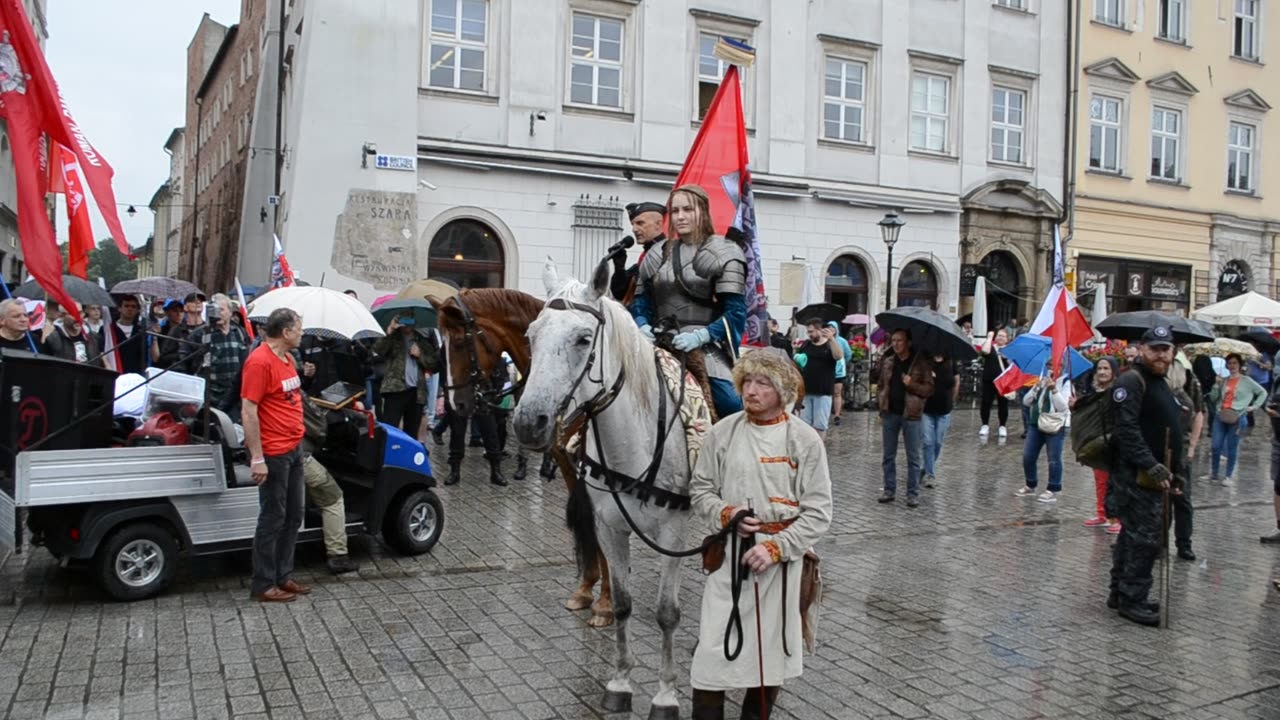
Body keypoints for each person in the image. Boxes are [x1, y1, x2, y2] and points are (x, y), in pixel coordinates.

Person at [688, 348, 832, 720]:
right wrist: (728, 513)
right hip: (729, 564)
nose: (750, 390)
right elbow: (700, 490)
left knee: (768, 665)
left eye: (762, 383)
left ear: (783, 391)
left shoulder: (805, 440)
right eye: (747, 381)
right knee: (710, 661)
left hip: (780, 570)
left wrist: (776, 547)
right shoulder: (722, 432)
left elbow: (819, 513)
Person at [631, 184, 747, 418]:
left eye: (687, 209)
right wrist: (641, 325)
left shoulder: (723, 251)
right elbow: (640, 304)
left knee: (733, 406)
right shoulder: (656, 253)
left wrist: (701, 336)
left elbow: (735, 312)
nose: (680, 216)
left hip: (704, 345)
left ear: (702, 211)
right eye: (675, 211)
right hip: (657, 340)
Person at [1107, 325, 1184, 627]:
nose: (1161, 354)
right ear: (1141, 349)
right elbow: (1126, 430)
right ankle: (1132, 599)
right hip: (1136, 476)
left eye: (1166, 349)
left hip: (1155, 474)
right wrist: (1151, 464)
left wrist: (1175, 471)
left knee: (1132, 537)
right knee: (1145, 540)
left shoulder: (1159, 381)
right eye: (1155, 348)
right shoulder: (1131, 380)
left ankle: (1121, 592)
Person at [241, 308, 308, 603]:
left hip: (294, 448)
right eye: (299, 328)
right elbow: (248, 410)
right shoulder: (259, 362)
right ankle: (263, 584)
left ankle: (283, 575)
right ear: (286, 332)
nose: (302, 333)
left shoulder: (288, 358)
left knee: (294, 515)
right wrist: (258, 457)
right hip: (273, 452)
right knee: (272, 518)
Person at [877, 329, 934, 507]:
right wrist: (881, 402)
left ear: (908, 342)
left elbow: (928, 390)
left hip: (911, 414)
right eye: (893, 340)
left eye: (899, 341)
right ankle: (889, 489)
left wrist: (912, 384)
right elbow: (880, 384)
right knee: (888, 455)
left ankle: (912, 493)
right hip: (890, 412)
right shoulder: (888, 361)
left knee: (913, 457)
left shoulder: (920, 364)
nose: (895, 344)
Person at [373, 312, 440, 438]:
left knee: (412, 431)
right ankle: (388, 455)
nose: (407, 326)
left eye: (410, 321)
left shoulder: (422, 341)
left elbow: (435, 365)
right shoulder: (392, 338)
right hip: (395, 390)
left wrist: (420, 355)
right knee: (390, 429)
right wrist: (390, 331)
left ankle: (408, 455)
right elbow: (378, 350)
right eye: (404, 321)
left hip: (417, 393)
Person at [1166, 351, 1204, 561]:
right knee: (1160, 500)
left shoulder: (1190, 384)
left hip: (1181, 450)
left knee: (1182, 499)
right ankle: (1159, 542)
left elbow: (1199, 413)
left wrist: (1192, 448)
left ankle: (1184, 543)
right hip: (1161, 449)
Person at [1076, 358, 1122, 533]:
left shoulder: (1117, 391)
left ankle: (1116, 517)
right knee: (1100, 480)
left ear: (1113, 372)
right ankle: (1102, 513)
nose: (1102, 372)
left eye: (1106, 368)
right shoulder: (1094, 392)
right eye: (1099, 369)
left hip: (1113, 442)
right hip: (1097, 443)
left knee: (1115, 482)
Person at [1207, 352, 1267, 485]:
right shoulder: (1224, 380)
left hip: (1238, 417)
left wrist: (1254, 406)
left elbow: (1262, 392)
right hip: (1221, 415)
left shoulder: (1247, 381)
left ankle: (1228, 476)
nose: (1232, 366)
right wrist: (1216, 385)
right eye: (1229, 363)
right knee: (1216, 446)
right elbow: (1213, 398)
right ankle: (1214, 473)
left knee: (1232, 447)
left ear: (1240, 365)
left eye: (1235, 363)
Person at [190, 294, 253, 412]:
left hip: (234, 396)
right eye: (215, 309)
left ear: (230, 312)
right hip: (209, 397)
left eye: (222, 310)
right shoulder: (200, 334)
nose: (218, 313)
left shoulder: (240, 332)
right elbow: (187, 363)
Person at [1016, 370, 1069, 503]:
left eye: (1056, 365)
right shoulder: (1041, 380)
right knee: (1028, 456)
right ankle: (1030, 484)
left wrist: (1054, 390)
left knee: (1053, 458)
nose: (1052, 368)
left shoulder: (1065, 382)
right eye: (1049, 365)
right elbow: (1026, 402)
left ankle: (1053, 488)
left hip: (1054, 424)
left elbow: (1063, 407)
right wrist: (1036, 388)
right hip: (1036, 423)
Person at [609, 200, 666, 302]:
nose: (634, 229)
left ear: (658, 224)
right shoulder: (644, 258)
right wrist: (619, 267)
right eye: (633, 224)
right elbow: (619, 293)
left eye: (640, 223)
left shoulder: (668, 253)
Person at [793, 319, 841, 438]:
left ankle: (819, 452)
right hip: (806, 390)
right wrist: (795, 352)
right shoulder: (806, 344)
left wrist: (831, 338)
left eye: (812, 332)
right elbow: (800, 361)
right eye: (808, 332)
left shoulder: (829, 345)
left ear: (820, 330)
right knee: (804, 425)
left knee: (820, 425)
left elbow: (838, 356)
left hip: (823, 390)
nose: (809, 334)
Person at [922, 353, 959, 489]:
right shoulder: (926, 361)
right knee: (928, 442)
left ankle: (925, 467)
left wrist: (952, 400)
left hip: (944, 410)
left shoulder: (951, 362)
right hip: (927, 409)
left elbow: (956, 381)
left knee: (937, 442)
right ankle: (930, 474)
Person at [41, 302, 104, 367]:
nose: (78, 318)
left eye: (80, 313)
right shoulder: (52, 339)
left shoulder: (95, 337)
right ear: (62, 316)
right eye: (73, 314)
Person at [978, 329, 1012, 439]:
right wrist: (989, 338)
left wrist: (1007, 358)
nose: (1001, 338)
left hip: (1003, 381)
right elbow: (985, 351)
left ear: (1007, 339)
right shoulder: (991, 347)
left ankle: (1002, 426)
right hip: (989, 380)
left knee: (1003, 404)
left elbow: (1013, 364)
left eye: (1003, 336)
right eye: (999, 335)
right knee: (986, 403)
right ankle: (985, 424)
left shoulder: (1009, 350)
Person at [105, 295, 149, 375]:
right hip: (115, 373)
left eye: (133, 306)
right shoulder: (108, 330)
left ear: (137, 310)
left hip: (135, 376)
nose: (130, 309)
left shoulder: (141, 332)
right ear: (119, 308)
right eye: (126, 306)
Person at [1261, 382, 1280, 545]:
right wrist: (1268, 409)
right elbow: (1269, 401)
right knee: (1278, 485)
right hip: (1278, 440)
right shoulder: (1278, 380)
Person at [827, 321, 853, 426]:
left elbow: (848, 354)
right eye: (829, 328)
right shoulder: (824, 340)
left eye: (833, 328)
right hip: (827, 370)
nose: (831, 330)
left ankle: (837, 414)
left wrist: (842, 363)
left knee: (837, 392)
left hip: (838, 371)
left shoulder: (842, 341)